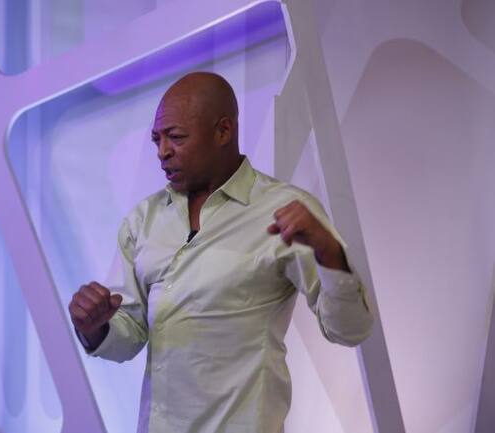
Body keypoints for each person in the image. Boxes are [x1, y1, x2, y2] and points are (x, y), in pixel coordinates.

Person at [68, 72, 373, 433]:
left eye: (176, 137)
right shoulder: (142, 220)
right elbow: (131, 334)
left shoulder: (284, 210)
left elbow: (350, 330)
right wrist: (96, 328)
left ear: (223, 131)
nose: (162, 151)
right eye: (156, 139)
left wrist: (329, 253)